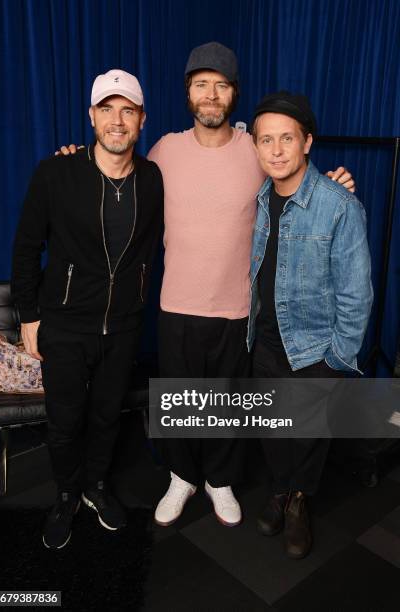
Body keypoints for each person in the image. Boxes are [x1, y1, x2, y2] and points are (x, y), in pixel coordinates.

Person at [57, 42, 355, 528]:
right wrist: (72, 157)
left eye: (220, 85)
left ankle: (220, 480)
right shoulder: (164, 151)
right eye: (201, 85)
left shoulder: (254, 149)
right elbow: (114, 172)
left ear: (234, 94)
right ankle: (181, 477)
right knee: (178, 396)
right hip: (176, 304)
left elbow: (293, 176)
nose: (210, 94)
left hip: (237, 308)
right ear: (188, 94)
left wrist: (332, 185)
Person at [11, 69, 164, 549]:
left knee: (105, 416)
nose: (117, 121)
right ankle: (66, 494)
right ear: (92, 116)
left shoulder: (154, 178)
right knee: (64, 420)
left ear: (141, 120)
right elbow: (25, 247)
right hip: (64, 325)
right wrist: (29, 316)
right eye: (107, 109)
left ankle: (96, 486)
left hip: (122, 328)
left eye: (127, 111)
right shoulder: (57, 172)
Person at [247, 91, 373, 558]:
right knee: (273, 427)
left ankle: (300, 501)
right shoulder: (260, 197)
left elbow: (357, 293)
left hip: (315, 348)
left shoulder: (339, 204)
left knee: (308, 434)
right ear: (255, 146)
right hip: (264, 341)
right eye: (266, 140)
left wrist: (338, 357)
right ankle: (281, 490)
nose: (276, 150)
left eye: (286, 139)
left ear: (307, 143)